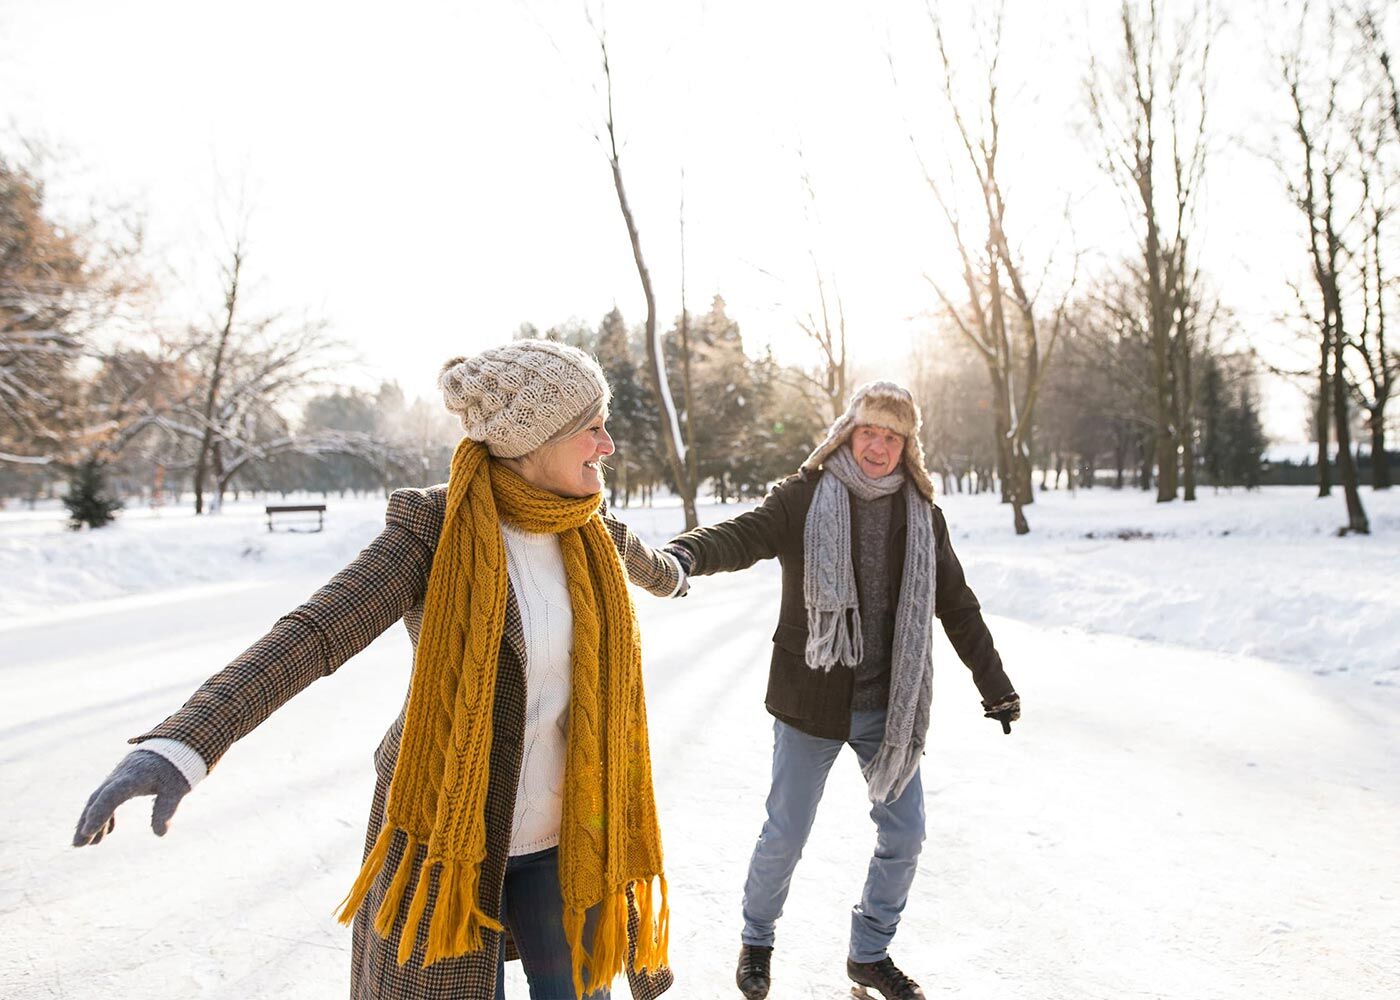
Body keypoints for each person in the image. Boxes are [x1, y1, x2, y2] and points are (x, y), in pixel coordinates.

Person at [73, 340, 690, 1000]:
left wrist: (680, 575)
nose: (608, 445)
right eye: (591, 428)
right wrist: (185, 742)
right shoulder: (437, 529)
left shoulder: (593, 529)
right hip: (446, 831)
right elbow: (313, 633)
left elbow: (654, 567)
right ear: (534, 441)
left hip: (570, 835)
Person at [663, 381, 1019, 1000]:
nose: (878, 446)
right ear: (847, 434)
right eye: (869, 432)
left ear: (907, 447)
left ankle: (869, 954)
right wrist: (683, 555)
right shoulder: (804, 498)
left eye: (892, 436)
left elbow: (956, 606)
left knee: (905, 834)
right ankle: (757, 941)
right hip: (811, 700)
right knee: (786, 831)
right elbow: (743, 535)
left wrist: (996, 685)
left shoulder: (923, 516)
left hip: (890, 707)